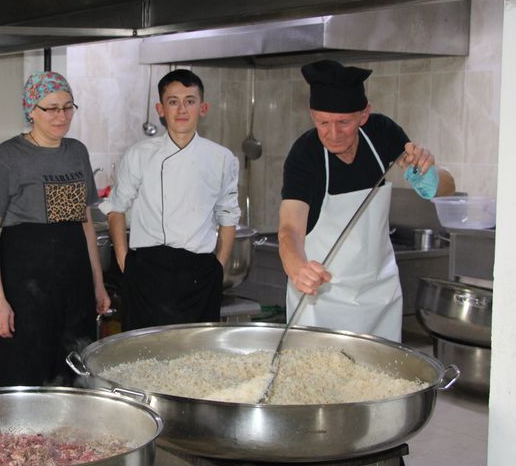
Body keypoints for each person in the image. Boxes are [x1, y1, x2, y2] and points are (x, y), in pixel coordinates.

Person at [279, 59, 456, 342]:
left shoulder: (382, 134)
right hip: (321, 302)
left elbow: (446, 188)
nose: (333, 134)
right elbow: (290, 228)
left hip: (378, 297)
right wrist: (296, 268)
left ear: (364, 115)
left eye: (344, 123)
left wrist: (429, 174)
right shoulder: (305, 155)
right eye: (323, 122)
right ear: (312, 114)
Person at [0, 71, 111, 387]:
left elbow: (84, 221)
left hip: (73, 284)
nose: (61, 116)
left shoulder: (76, 152)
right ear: (30, 111)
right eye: (50, 108)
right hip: (26, 287)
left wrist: (98, 283)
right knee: (26, 374)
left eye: (67, 107)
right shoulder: (7, 158)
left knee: (75, 371)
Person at [100, 69, 241, 331]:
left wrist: (217, 268)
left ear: (203, 107)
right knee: (142, 360)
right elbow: (116, 209)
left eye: (190, 100)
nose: (182, 109)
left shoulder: (222, 159)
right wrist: (125, 262)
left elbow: (228, 216)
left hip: (200, 273)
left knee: (196, 358)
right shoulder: (140, 154)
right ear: (161, 109)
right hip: (147, 271)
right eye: (173, 101)